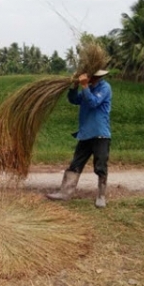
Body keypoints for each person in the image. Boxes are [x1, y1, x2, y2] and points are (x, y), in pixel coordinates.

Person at [46, 69, 112, 208]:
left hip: (100, 134)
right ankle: (65, 192)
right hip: (85, 133)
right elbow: (74, 100)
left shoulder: (104, 88)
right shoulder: (87, 89)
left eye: (94, 77)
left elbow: (94, 102)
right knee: (76, 163)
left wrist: (85, 86)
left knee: (100, 165)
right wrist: (75, 87)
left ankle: (101, 196)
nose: (92, 79)